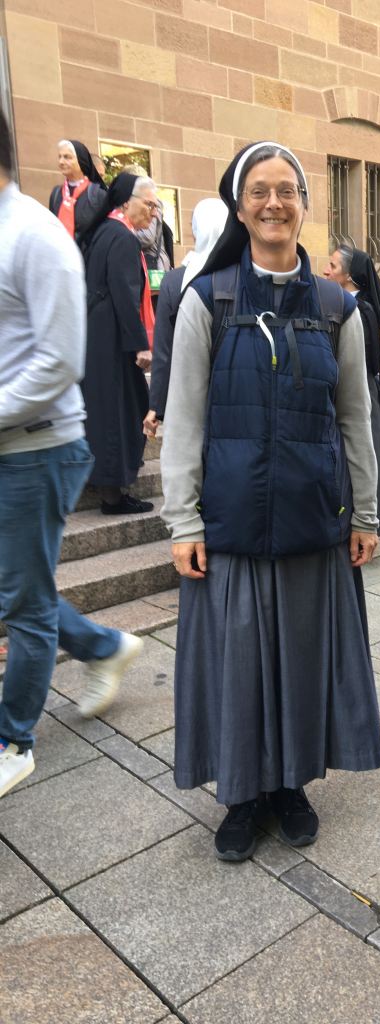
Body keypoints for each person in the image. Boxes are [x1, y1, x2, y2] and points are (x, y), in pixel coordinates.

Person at [161, 142, 380, 862]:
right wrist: (183, 520)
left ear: (304, 205)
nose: (274, 204)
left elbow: (356, 419)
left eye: (287, 190)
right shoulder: (209, 301)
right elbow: (184, 417)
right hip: (229, 523)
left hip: (311, 522)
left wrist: (367, 514)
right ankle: (243, 795)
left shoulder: (338, 308)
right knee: (238, 668)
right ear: (239, 207)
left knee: (300, 664)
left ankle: (290, 786)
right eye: (259, 191)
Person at [0, 111, 143, 799]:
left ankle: (12, 740)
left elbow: (60, 360)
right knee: (19, 589)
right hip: (14, 444)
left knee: (24, 603)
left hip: (37, 449)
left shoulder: (34, 235)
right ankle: (104, 645)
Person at [82, 173, 156, 515]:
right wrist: (140, 344)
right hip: (113, 339)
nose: (153, 212)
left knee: (109, 410)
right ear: (127, 202)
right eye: (149, 204)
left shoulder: (103, 232)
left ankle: (109, 484)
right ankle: (113, 496)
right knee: (121, 412)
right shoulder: (123, 238)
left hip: (99, 335)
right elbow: (125, 295)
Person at [323, 246, 380, 525]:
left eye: (333, 266)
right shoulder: (346, 305)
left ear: (349, 275)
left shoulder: (360, 310)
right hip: (355, 389)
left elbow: (361, 360)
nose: (326, 271)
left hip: (360, 392)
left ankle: (369, 517)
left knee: (363, 454)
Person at [143, 197, 228, 439]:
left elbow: (164, 349)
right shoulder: (239, 276)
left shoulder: (175, 281)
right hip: (232, 391)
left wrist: (156, 405)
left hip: (186, 392)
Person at [48, 139, 106, 252]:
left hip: (88, 259)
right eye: (59, 157)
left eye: (67, 157)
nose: (61, 162)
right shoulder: (56, 193)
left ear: (81, 160)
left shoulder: (98, 194)